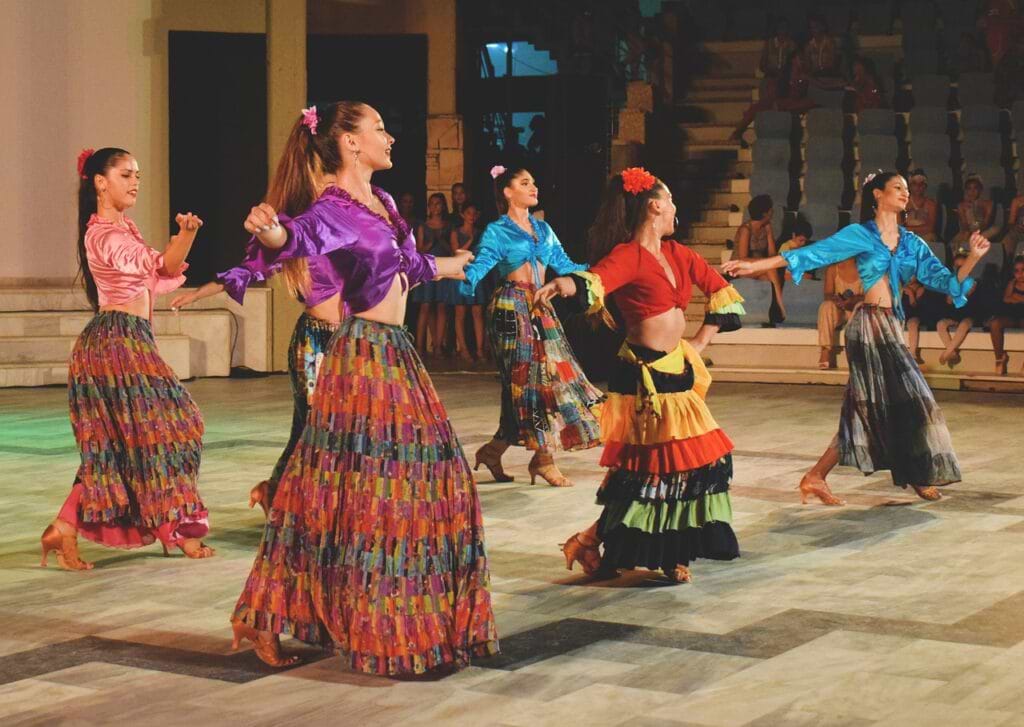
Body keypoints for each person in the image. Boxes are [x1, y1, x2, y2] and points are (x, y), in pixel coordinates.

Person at [230, 101, 497, 674]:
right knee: (366, 496)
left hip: (395, 351)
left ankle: (374, 615)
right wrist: (273, 232)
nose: (389, 135)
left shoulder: (385, 203)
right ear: (349, 142)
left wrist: (449, 265)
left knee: (411, 483)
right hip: (362, 357)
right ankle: (324, 619)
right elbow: (295, 237)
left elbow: (402, 265)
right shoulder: (332, 207)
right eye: (379, 127)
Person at [723, 171, 990, 504]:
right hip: (867, 326)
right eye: (898, 188)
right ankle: (915, 472)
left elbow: (948, 282)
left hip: (892, 325)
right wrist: (754, 266)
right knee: (907, 400)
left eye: (907, 189)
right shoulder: (860, 234)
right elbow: (815, 253)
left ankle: (817, 476)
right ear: (877, 194)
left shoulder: (912, 244)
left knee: (873, 407)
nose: (905, 193)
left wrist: (975, 258)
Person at [534, 167, 745, 583]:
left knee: (678, 464)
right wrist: (563, 286)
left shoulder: (679, 254)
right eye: (670, 202)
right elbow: (595, 280)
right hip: (643, 377)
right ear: (655, 206)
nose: (675, 210)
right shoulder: (629, 256)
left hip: (677, 373)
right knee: (657, 468)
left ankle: (604, 542)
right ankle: (658, 552)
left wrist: (699, 342)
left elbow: (722, 291)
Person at [41, 147, 212, 570]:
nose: (135, 181)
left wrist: (178, 246)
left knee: (117, 447)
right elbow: (161, 263)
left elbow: (157, 275)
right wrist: (186, 237)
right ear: (100, 182)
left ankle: (64, 528)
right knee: (179, 424)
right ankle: (177, 528)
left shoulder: (123, 229)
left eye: (137, 174)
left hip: (125, 340)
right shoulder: (104, 235)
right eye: (125, 174)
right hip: (117, 342)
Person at [171, 216, 344, 517]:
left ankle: (275, 489)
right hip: (313, 342)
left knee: (316, 427)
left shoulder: (349, 225)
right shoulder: (299, 232)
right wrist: (200, 292)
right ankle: (309, 504)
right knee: (317, 425)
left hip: (346, 341)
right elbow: (250, 269)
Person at [458, 165, 604, 487]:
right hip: (511, 307)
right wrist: (460, 272)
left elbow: (565, 264)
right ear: (508, 192)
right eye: (525, 183)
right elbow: (481, 263)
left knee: (548, 378)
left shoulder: (544, 229)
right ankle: (543, 458)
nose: (534, 187)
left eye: (534, 182)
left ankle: (495, 450)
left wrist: (602, 268)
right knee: (530, 382)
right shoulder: (497, 231)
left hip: (541, 307)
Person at [730, 51, 816, 141]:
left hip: (794, 103)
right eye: (800, 59)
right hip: (780, 101)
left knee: (805, 103)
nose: (802, 62)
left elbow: (806, 93)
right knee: (758, 107)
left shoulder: (805, 76)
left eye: (803, 60)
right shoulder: (784, 75)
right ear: (793, 60)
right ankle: (737, 133)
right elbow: (776, 91)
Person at [411, 192, 454, 356]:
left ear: (443, 206)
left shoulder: (448, 226)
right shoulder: (424, 225)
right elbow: (419, 249)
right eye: (432, 203)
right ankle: (420, 346)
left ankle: (437, 345)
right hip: (427, 268)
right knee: (425, 306)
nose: (435, 207)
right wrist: (430, 244)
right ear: (428, 206)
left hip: (443, 267)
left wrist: (442, 242)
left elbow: (452, 249)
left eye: (438, 203)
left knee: (442, 306)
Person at [735, 194, 786, 322]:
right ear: (765, 213)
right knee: (770, 269)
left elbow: (772, 254)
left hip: (759, 269)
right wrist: (765, 263)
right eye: (770, 209)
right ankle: (782, 309)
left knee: (769, 277)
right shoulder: (746, 229)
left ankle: (767, 315)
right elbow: (742, 258)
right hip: (741, 268)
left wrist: (769, 234)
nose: (773, 211)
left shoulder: (766, 227)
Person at [448, 201, 488, 363]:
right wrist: (470, 240)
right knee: (460, 313)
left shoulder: (481, 233)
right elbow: (457, 254)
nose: (471, 216)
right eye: (468, 213)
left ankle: (479, 350)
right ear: (462, 214)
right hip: (460, 274)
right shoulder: (456, 233)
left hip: (475, 274)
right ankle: (463, 349)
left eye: (474, 213)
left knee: (477, 312)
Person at [935, 249, 984, 367]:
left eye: (963, 267)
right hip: (955, 314)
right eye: (958, 267)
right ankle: (952, 352)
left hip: (971, 315)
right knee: (941, 324)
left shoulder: (974, 283)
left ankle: (947, 353)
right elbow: (949, 301)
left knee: (964, 324)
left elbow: (972, 304)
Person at [817, 257, 864, 369]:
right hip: (840, 311)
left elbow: (870, 295)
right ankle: (825, 351)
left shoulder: (866, 268)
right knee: (826, 306)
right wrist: (838, 300)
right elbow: (828, 294)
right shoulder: (833, 269)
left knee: (864, 307)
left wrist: (854, 300)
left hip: (859, 310)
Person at [990, 255, 1024, 374]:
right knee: (995, 323)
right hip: (1013, 316)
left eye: (1023, 270)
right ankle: (1000, 359)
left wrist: (1016, 298)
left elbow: (1013, 298)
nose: (1020, 274)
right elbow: (1006, 299)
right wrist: (1018, 298)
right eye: (1017, 271)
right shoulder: (1012, 283)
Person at [952, 174, 999, 247]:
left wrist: (977, 231)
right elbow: (964, 225)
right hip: (968, 231)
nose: (972, 191)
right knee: (964, 236)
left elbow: (986, 223)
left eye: (975, 188)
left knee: (995, 229)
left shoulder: (988, 203)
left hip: (984, 230)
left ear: (980, 189)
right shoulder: (961, 205)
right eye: (969, 189)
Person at [904, 170, 939, 243]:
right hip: (906, 235)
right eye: (914, 184)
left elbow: (930, 228)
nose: (918, 187)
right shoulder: (904, 202)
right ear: (910, 186)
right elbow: (899, 226)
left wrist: (909, 228)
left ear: (925, 186)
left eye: (921, 184)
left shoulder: (931, 204)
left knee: (930, 237)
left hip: (926, 236)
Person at [805, 14, 842, 83]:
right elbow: (808, 67)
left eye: (816, 27)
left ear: (823, 27)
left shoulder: (830, 43)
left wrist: (820, 69)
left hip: (828, 77)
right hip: (814, 78)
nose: (813, 30)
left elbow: (833, 63)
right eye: (811, 28)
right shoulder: (808, 46)